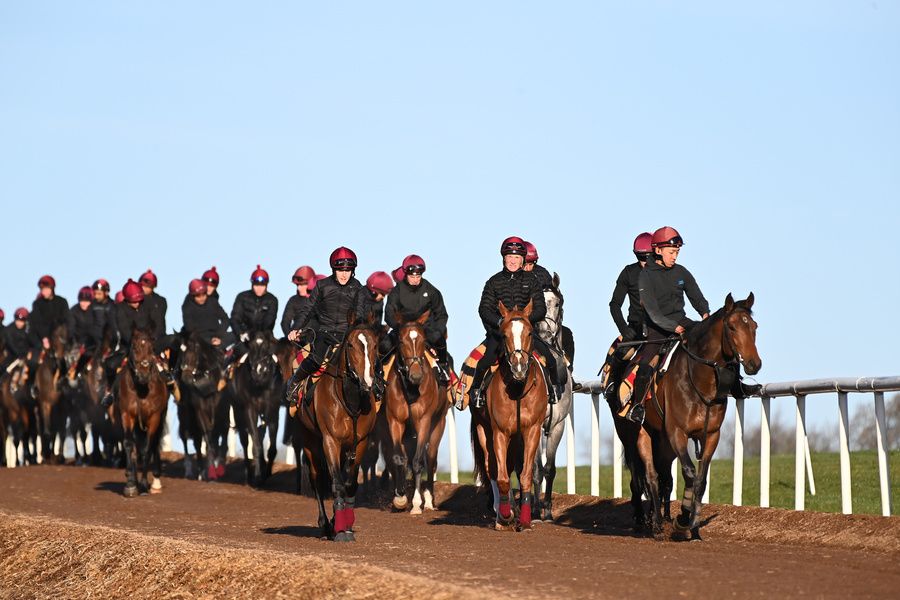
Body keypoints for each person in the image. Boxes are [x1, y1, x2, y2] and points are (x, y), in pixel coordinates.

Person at [624, 226, 710, 424]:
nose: (675, 257)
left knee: (713, 342)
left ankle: (737, 386)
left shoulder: (681, 272)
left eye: (677, 252)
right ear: (658, 250)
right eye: (671, 252)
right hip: (657, 329)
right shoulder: (646, 276)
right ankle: (637, 406)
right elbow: (652, 312)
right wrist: (673, 327)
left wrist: (705, 314)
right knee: (645, 365)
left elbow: (696, 297)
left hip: (683, 322)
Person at [469, 237, 563, 407]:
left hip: (526, 333)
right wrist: (501, 322)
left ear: (522, 260)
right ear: (504, 258)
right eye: (510, 256)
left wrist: (524, 322)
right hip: (501, 334)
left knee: (550, 359)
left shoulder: (532, 281)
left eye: (517, 257)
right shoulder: (493, 282)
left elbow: (540, 309)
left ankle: (555, 390)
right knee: (485, 361)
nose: (513, 261)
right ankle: (476, 392)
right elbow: (484, 309)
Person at [284, 247, 375, 405]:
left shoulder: (359, 288)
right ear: (334, 269)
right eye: (340, 270)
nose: (344, 274)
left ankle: (377, 387)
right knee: (316, 359)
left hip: (346, 336)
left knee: (368, 356)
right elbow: (308, 309)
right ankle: (294, 382)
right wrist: (296, 328)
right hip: (324, 334)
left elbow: (359, 314)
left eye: (348, 270)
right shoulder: (322, 285)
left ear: (353, 271)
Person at [598, 233, 653, 404]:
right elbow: (615, 305)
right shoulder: (628, 272)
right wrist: (624, 329)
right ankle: (612, 383)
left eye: (649, 257)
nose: (645, 261)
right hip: (636, 328)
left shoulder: (664, 273)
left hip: (661, 328)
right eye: (641, 257)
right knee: (623, 353)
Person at [383, 254, 453, 385]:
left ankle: (443, 368)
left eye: (418, 276)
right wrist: (398, 328)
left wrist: (438, 331)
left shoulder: (432, 291)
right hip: (402, 329)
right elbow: (388, 314)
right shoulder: (396, 292)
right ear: (405, 274)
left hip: (425, 329)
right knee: (384, 345)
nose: (415, 279)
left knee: (439, 339)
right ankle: (378, 376)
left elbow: (441, 314)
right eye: (412, 276)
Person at [100, 279, 161, 406]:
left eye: (139, 300)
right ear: (127, 299)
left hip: (149, 343)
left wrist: (152, 339)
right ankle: (109, 391)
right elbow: (125, 331)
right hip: (129, 345)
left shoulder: (148, 303)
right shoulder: (119, 310)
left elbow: (156, 322)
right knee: (110, 364)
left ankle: (173, 383)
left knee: (167, 357)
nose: (137, 303)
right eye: (133, 301)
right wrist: (136, 343)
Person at [523, 240, 577, 376]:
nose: (527, 268)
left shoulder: (542, 274)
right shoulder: (514, 277)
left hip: (544, 319)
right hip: (525, 322)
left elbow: (554, 296)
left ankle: (569, 372)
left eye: (530, 264)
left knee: (567, 334)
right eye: (525, 264)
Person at [230, 265, 278, 363]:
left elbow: (269, 321)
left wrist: (255, 334)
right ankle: (226, 371)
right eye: (256, 285)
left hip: (265, 337)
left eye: (262, 285)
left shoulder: (272, 300)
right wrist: (240, 333)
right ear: (252, 284)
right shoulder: (242, 297)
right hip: (244, 338)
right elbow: (235, 318)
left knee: (278, 359)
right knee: (231, 357)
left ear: (266, 285)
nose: (259, 288)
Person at [181, 278, 232, 347]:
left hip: (217, 335)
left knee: (237, 337)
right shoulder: (187, 307)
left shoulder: (212, 301)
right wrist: (209, 340)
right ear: (192, 296)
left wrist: (218, 336)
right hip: (199, 339)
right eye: (198, 296)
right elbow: (190, 329)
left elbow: (225, 319)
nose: (202, 298)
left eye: (204, 294)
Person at [30, 275, 72, 352]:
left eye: (46, 289)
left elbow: (68, 319)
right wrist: (44, 338)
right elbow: (38, 323)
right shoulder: (37, 304)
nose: (44, 292)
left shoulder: (62, 301)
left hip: (62, 336)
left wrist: (69, 336)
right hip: (43, 338)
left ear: (52, 288)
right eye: (42, 289)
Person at [281, 266, 316, 338]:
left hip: (315, 337)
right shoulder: (293, 300)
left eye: (302, 285)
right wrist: (290, 336)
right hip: (296, 337)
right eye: (297, 285)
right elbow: (285, 322)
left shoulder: (319, 299)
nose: (299, 288)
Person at [89, 278, 116, 351]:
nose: (96, 296)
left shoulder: (113, 305)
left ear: (106, 293)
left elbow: (114, 325)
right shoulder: (92, 305)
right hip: (94, 341)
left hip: (110, 340)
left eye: (99, 294)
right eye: (95, 294)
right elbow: (89, 322)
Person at [139, 269, 167, 337]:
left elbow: (159, 320)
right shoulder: (135, 300)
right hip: (141, 337)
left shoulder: (161, 301)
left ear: (153, 287)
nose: (144, 288)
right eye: (143, 286)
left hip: (159, 336)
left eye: (148, 287)